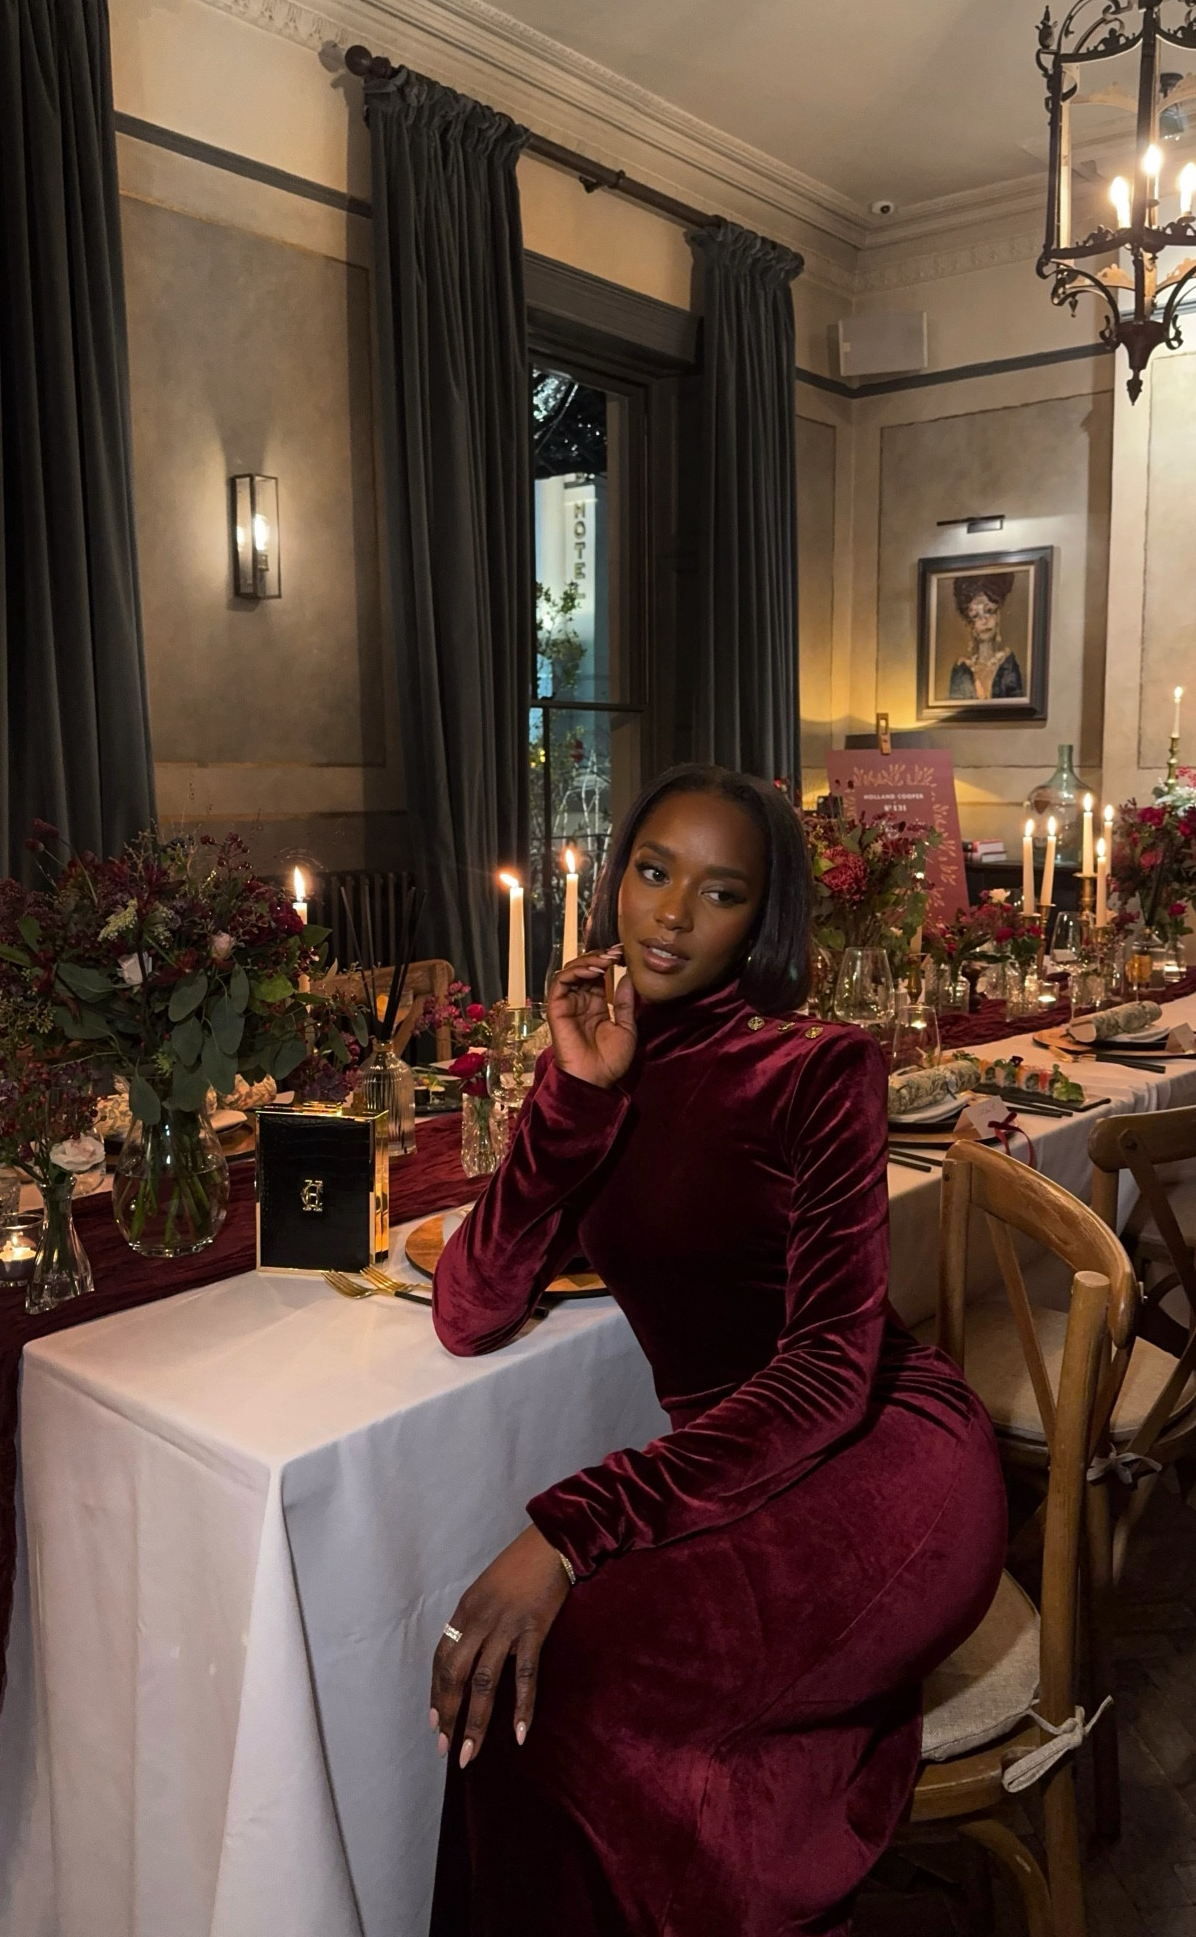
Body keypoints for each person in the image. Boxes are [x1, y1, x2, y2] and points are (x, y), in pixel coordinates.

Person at [428, 765, 1007, 1936]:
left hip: (888, 1459)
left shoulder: (817, 1068)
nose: (674, 912)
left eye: (721, 890)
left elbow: (829, 1373)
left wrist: (571, 1526)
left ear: (762, 918)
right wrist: (571, 1099)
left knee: (552, 1672)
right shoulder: (599, 1060)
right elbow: (469, 1305)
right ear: (616, 878)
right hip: (733, 1476)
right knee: (517, 1674)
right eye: (653, 870)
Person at [947, 572, 1023, 702]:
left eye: (989, 611)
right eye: (976, 616)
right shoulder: (961, 669)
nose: (984, 621)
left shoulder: (1008, 664)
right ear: (970, 624)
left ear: (998, 615)